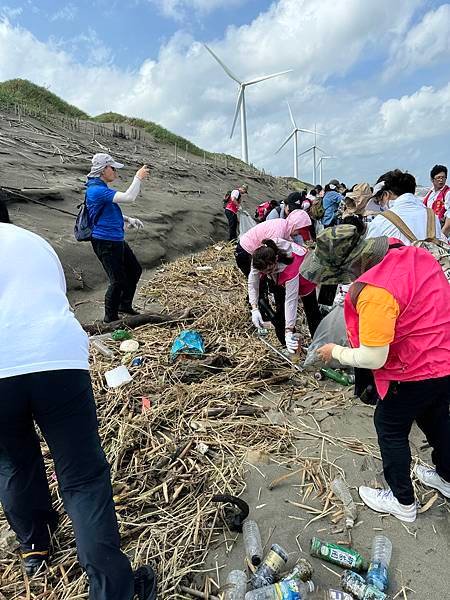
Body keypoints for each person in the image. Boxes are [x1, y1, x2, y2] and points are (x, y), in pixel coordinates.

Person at [0, 200, 156, 599]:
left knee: (14, 463)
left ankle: (35, 546)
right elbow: (54, 299)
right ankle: (111, 590)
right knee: (83, 477)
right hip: (57, 358)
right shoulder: (33, 242)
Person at [301, 224, 450, 523]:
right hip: (444, 356)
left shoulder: (375, 293)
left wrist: (336, 352)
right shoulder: (407, 253)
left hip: (414, 367)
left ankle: (402, 500)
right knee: (436, 418)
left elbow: (373, 356)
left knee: (390, 426)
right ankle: (446, 477)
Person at [85, 153, 150, 323]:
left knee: (134, 269)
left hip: (115, 239)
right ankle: (110, 318)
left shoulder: (101, 188)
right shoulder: (96, 190)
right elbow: (129, 197)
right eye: (112, 168)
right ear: (103, 169)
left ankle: (124, 305)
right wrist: (138, 178)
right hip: (104, 241)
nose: (115, 171)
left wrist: (128, 219)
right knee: (117, 280)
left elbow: (107, 211)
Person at [249, 239, 321, 351]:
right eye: (264, 272)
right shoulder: (259, 258)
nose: (267, 273)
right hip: (279, 277)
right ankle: (291, 347)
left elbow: (291, 300)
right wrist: (254, 308)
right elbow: (253, 283)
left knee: (311, 310)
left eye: (269, 269)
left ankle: (319, 345)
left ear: (276, 259)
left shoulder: (290, 270)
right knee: (280, 312)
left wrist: (289, 330)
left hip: (305, 276)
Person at [366, 170, 444, 244]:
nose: (381, 204)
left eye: (380, 200)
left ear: (386, 195)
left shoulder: (381, 221)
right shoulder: (432, 216)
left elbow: (369, 253)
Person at [235, 209, 312, 277]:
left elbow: (291, 247)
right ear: (295, 225)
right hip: (245, 251)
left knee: (260, 278)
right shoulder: (279, 230)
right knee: (256, 278)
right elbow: (270, 255)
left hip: (252, 251)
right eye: (299, 230)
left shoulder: (284, 226)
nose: (299, 234)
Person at [423, 164, 450, 237]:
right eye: (438, 178)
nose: (441, 180)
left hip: (441, 232)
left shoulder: (448, 193)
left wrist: (441, 236)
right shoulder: (429, 194)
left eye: (443, 177)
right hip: (429, 230)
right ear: (432, 179)